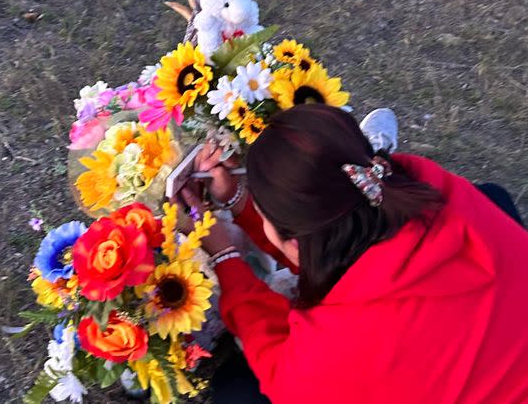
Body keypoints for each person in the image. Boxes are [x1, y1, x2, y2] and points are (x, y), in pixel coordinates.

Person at [181, 104, 528, 404]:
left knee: (237, 388)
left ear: (297, 241)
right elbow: (327, 232)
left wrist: (225, 256)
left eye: (264, 213)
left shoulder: (335, 351)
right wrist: (239, 200)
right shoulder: (424, 181)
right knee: (491, 196)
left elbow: (278, 367)